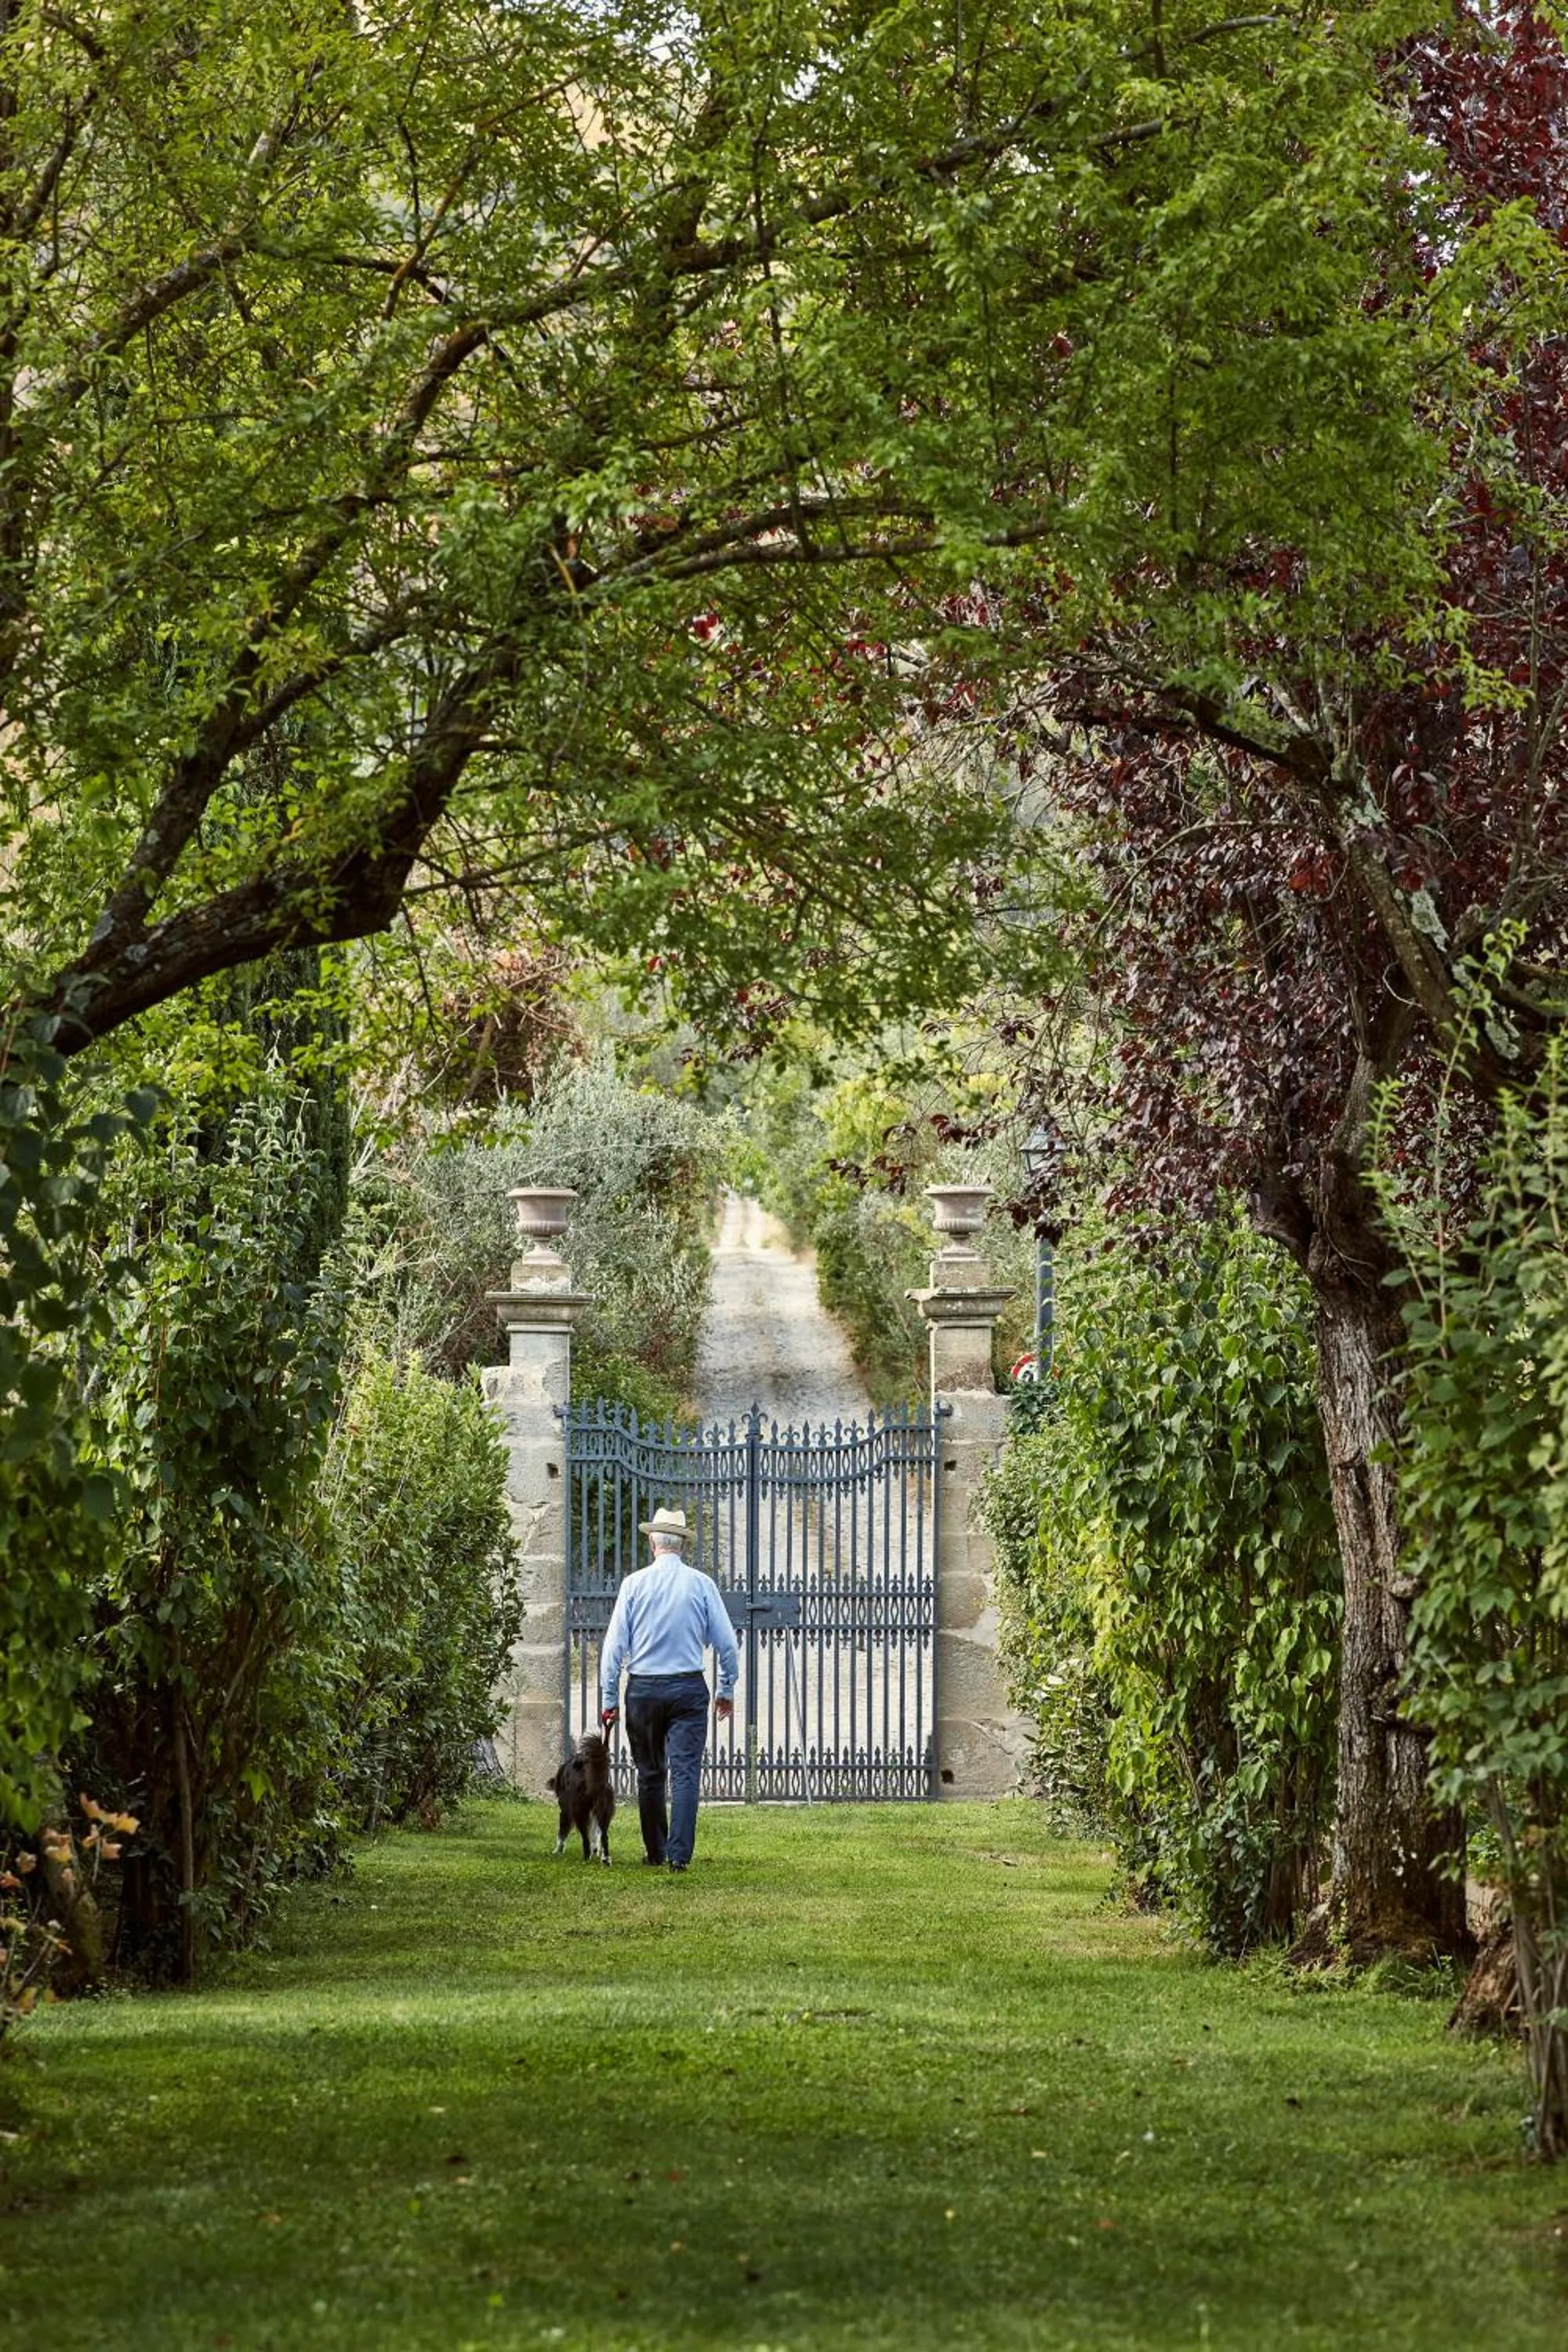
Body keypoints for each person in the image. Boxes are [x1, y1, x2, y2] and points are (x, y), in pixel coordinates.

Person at [599, 1505, 739, 1873]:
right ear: (684, 1545)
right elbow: (727, 1645)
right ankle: (679, 1856)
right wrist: (725, 1690)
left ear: (651, 1542)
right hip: (688, 1687)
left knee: (649, 1772)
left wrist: (609, 1700)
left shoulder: (633, 1585)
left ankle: (656, 1850)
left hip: (643, 1689)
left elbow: (613, 1649)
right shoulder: (701, 1585)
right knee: (686, 1771)